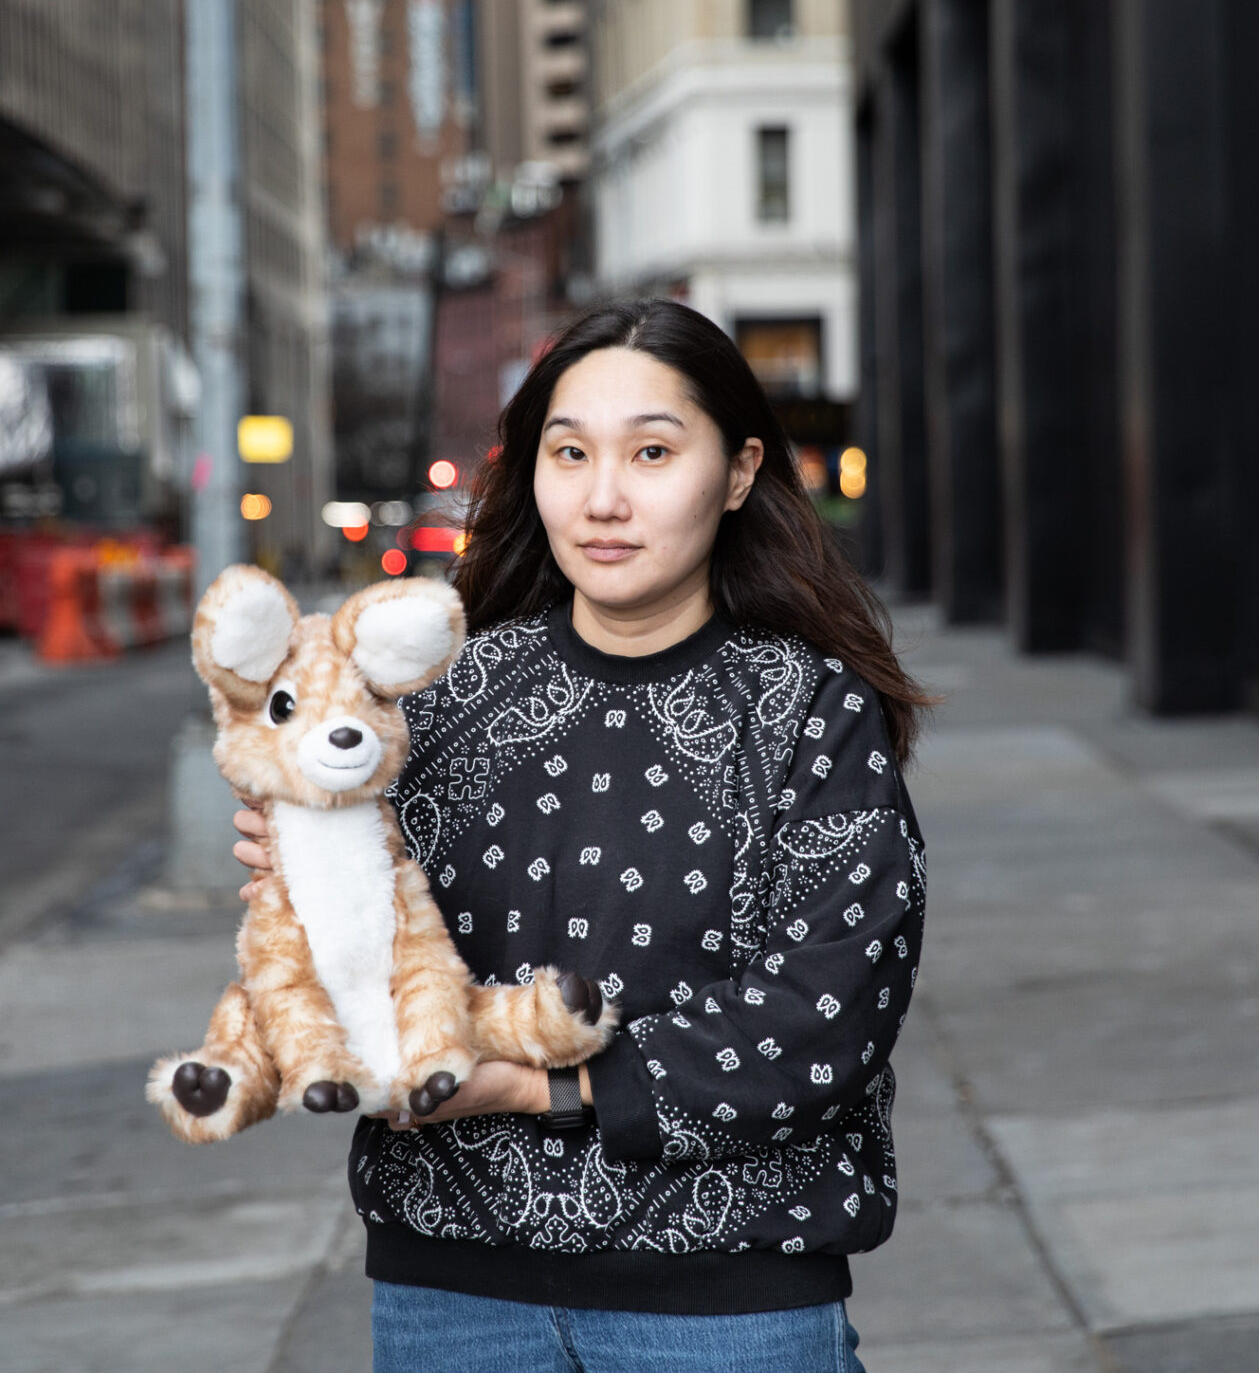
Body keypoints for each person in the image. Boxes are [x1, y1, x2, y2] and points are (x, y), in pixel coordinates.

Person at [230, 299, 932, 1373]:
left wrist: (534, 1086)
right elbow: (377, 971)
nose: (603, 498)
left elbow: (823, 1017)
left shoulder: (807, 712)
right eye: (570, 454)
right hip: (449, 1293)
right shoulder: (430, 702)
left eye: (652, 452)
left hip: (725, 1307)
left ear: (737, 473)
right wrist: (307, 879)